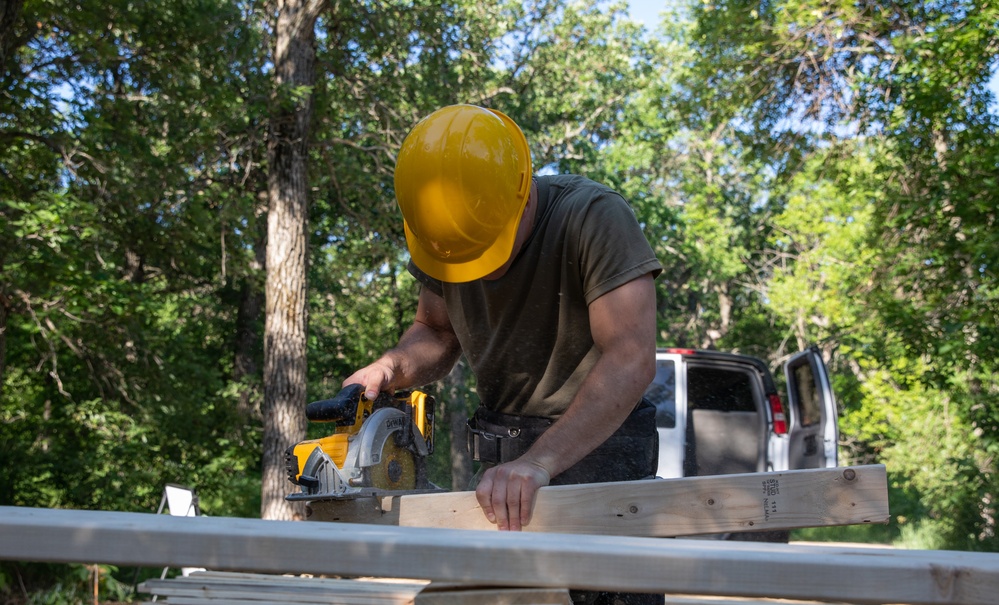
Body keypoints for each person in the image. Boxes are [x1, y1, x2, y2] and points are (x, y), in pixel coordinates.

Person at [344, 104, 664, 605]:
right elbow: (435, 329)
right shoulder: (444, 231)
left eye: (486, 247)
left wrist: (541, 461)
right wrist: (393, 366)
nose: (476, 271)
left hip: (600, 451)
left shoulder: (592, 218)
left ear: (522, 191)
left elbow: (631, 358)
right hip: (506, 457)